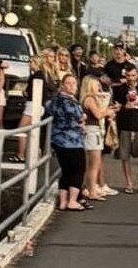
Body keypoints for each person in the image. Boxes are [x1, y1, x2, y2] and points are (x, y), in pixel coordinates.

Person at [46, 74, 87, 211]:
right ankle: (72, 200)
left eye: (74, 83)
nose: (72, 86)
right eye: (68, 83)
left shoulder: (55, 100)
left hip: (57, 140)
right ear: (63, 85)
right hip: (72, 140)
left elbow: (48, 108)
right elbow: (74, 116)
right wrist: (82, 119)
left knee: (66, 171)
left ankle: (63, 201)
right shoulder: (68, 101)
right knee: (77, 169)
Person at [112, 64, 138, 195]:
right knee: (125, 156)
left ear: (137, 75)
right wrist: (124, 107)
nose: (130, 78)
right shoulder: (120, 90)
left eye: (133, 75)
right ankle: (128, 183)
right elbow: (116, 107)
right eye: (128, 76)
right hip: (124, 126)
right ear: (125, 76)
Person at [80, 76, 118, 200]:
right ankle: (92, 191)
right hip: (92, 131)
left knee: (93, 163)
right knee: (94, 164)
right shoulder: (90, 99)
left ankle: (90, 188)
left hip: (92, 131)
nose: (99, 88)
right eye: (96, 86)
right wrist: (106, 112)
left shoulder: (88, 99)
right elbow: (97, 114)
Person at [8, 56, 47, 163]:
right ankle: (34, 153)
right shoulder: (40, 75)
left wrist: (26, 93)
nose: (29, 64)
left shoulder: (37, 76)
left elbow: (31, 91)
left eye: (31, 62)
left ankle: (21, 154)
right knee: (32, 130)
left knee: (22, 129)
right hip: (37, 105)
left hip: (33, 105)